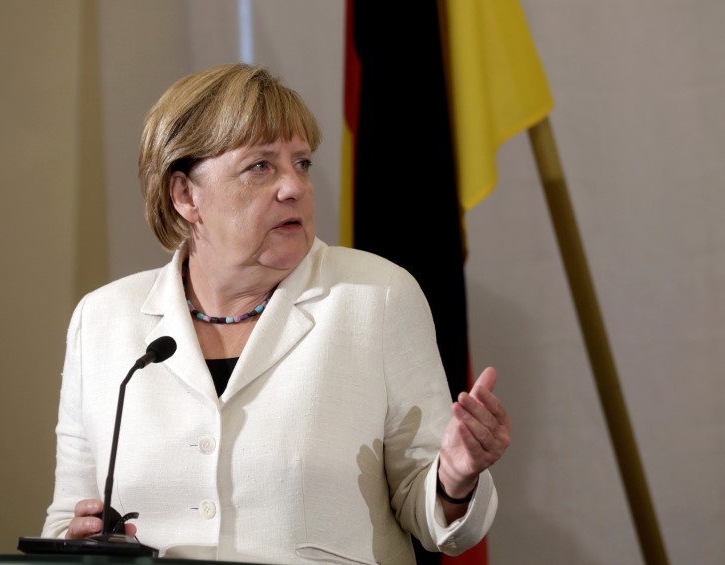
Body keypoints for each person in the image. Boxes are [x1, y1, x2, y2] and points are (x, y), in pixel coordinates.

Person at [41, 62, 511, 564]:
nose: (294, 187)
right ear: (185, 195)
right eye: (261, 167)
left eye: (302, 163)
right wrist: (74, 539)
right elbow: (66, 518)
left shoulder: (375, 296)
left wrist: (455, 479)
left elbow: (431, 510)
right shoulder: (103, 320)